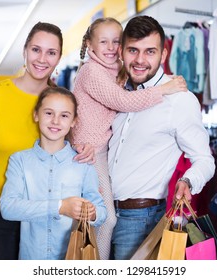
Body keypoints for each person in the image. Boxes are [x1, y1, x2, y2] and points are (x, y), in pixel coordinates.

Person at [0, 22, 94, 260]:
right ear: (25, 50)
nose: (42, 58)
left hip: (43, 213)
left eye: (51, 52)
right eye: (36, 49)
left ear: (58, 58)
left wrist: (86, 148)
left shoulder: (61, 102)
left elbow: (67, 153)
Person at [72, 17, 187, 260]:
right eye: (104, 41)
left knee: (94, 212)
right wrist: (165, 88)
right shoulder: (91, 71)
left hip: (100, 151)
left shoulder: (113, 69)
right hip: (90, 153)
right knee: (106, 217)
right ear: (90, 45)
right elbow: (123, 102)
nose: (111, 47)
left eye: (117, 41)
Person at [108, 15, 216, 260]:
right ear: (122, 52)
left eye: (149, 52)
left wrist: (188, 181)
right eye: (133, 50)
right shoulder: (114, 93)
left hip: (140, 220)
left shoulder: (179, 100)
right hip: (100, 213)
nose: (139, 60)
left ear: (163, 55)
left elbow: (204, 160)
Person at [0, 87, 106, 260]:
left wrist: (92, 212)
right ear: (36, 115)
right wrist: (60, 207)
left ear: (73, 121)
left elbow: (101, 211)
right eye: (49, 113)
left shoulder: (83, 163)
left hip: (71, 259)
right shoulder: (19, 161)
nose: (56, 121)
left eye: (64, 115)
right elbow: (8, 208)